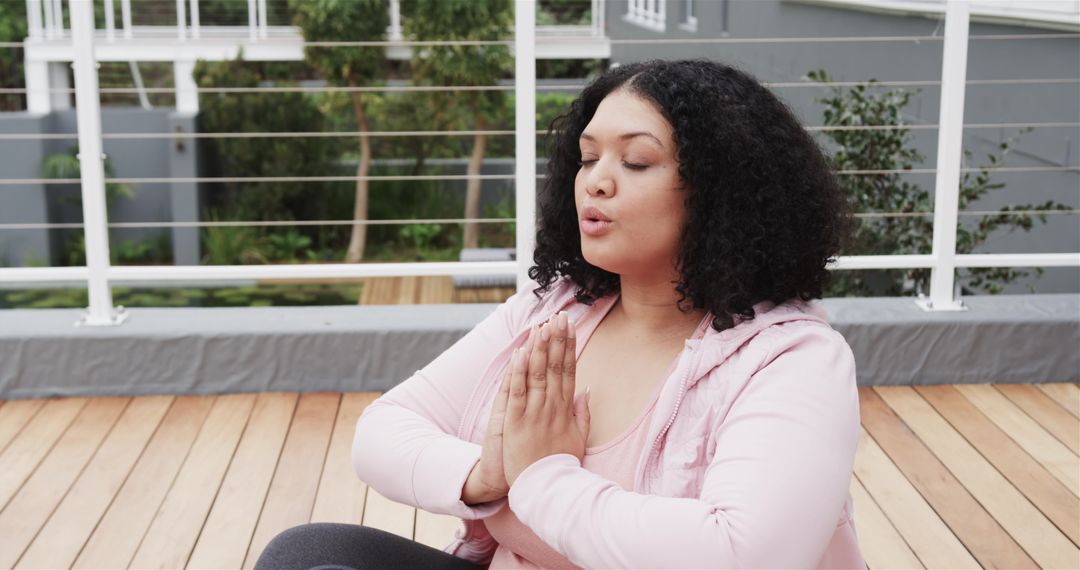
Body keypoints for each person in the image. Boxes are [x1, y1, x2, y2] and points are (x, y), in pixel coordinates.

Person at [256, 59, 864, 570]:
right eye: (588, 156)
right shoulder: (559, 309)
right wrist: (488, 473)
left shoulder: (792, 359)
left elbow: (745, 553)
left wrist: (542, 477)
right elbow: (382, 432)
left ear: (720, 191)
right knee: (309, 553)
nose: (594, 182)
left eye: (636, 162)